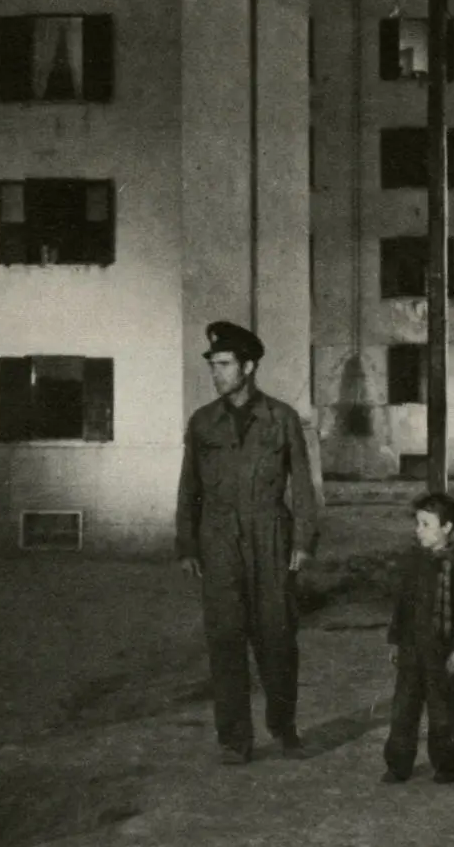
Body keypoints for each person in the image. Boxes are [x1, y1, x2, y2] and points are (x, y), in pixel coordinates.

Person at [176, 321, 320, 765]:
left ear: (249, 366)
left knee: (277, 639)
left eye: (224, 364)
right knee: (225, 640)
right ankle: (234, 740)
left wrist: (303, 541)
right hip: (219, 541)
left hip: (270, 537)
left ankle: (284, 728)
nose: (215, 373)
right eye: (213, 365)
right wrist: (187, 545)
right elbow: (189, 487)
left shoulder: (282, 418)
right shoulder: (203, 422)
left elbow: (303, 483)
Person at [382, 491, 454, 785]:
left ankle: (446, 766)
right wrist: (395, 639)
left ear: (446, 527)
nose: (418, 530)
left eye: (426, 524)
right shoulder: (413, 560)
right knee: (403, 709)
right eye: (417, 523)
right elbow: (401, 603)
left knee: (442, 712)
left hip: (442, 651)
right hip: (411, 648)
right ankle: (398, 765)